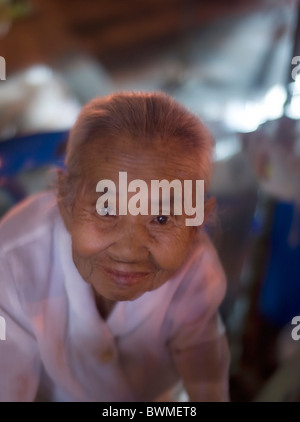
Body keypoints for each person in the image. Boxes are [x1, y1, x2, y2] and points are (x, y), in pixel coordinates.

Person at [0, 91, 230, 402]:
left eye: (161, 218)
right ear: (66, 201)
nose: (128, 251)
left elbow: (203, 362)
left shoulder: (197, 270)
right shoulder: (13, 261)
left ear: (196, 223)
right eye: (107, 209)